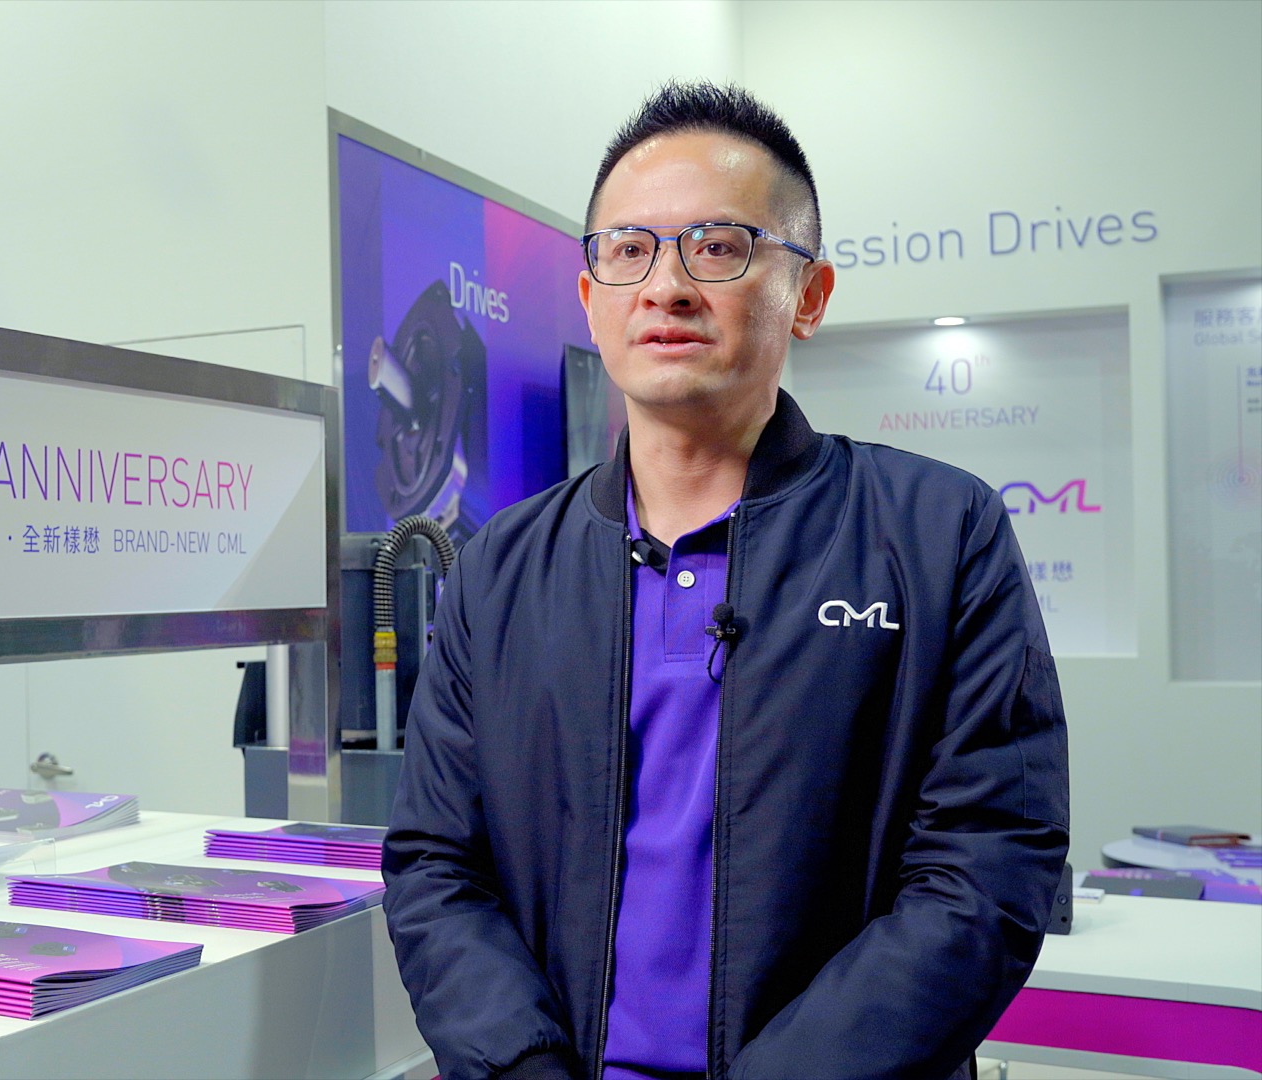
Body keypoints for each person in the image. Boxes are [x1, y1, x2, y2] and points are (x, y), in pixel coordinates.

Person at [382, 82, 1070, 1080]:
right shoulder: (500, 567)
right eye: (629, 250)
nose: (666, 285)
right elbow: (437, 865)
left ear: (810, 296)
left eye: (717, 246)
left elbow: (986, 869)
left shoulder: (937, 532)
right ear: (591, 299)